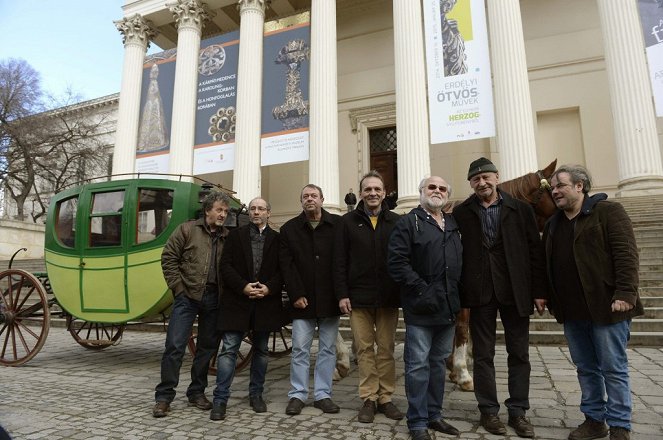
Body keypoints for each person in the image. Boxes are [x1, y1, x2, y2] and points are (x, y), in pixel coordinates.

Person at [543, 165, 643, 440]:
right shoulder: (553, 224)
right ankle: (594, 420)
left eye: (560, 185)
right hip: (572, 312)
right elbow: (548, 265)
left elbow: (626, 254)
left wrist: (625, 293)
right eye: (552, 187)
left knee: (613, 368)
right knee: (586, 368)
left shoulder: (608, 212)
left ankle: (620, 425)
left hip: (607, 307)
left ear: (580, 186)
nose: (554, 191)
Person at [453, 157, 546, 438]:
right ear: (470, 183)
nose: (482, 183)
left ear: (497, 178)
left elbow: (535, 251)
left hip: (516, 290)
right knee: (483, 355)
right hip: (480, 293)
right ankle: (488, 411)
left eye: (486, 177)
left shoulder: (520, 209)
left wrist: (540, 291)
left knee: (519, 353)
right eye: (476, 179)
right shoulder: (461, 212)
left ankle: (518, 411)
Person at [388, 176, 462, 440]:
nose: (437, 191)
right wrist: (422, 289)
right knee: (417, 366)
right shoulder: (409, 222)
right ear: (421, 192)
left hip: (448, 308)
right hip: (420, 307)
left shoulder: (452, 224)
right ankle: (417, 421)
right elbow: (397, 263)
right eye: (432, 187)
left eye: (443, 188)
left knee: (438, 364)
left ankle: (434, 415)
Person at [334, 171, 403, 423]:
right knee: (363, 349)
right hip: (358, 297)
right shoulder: (347, 222)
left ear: (384, 193)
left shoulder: (397, 221)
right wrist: (342, 294)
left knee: (385, 348)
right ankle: (368, 398)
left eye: (377, 189)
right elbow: (339, 261)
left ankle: (385, 397)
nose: (372, 193)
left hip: (388, 297)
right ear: (361, 193)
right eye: (368, 189)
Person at [153, 191, 230, 418]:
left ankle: (196, 392)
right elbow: (168, 258)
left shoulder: (227, 236)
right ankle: (164, 397)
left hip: (214, 299)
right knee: (174, 346)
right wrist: (178, 288)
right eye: (219, 210)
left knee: (207, 348)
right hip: (187, 297)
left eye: (225, 211)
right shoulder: (187, 230)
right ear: (207, 210)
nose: (223, 215)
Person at [210, 197, 286, 421]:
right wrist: (243, 287)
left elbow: (283, 270)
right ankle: (220, 399)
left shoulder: (278, 239)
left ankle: (256, 395)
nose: (256, 212)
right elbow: (225, 266)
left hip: (265, 302)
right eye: (253, 208)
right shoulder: (235, 236)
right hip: (237, 301)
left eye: (261, 208)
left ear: (268, 213)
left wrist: (269, 288)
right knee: (229, 350)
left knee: (261, 351)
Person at [280, 184, 342, 415]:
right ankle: (297, 394)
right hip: (301, 300)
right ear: (301, 201)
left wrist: (341, 294)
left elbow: (342, 262)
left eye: (314, 196)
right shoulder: (289, 229)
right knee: (300, 350)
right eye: (305, 196)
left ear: (322, 199)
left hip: (329, 299)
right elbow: (286, 265)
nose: (310, 199)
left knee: (327, 350)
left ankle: (323, 395)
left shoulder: (337, 225)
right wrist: (296, 294)